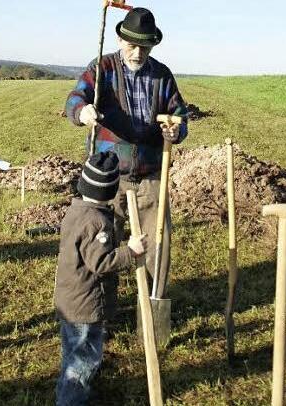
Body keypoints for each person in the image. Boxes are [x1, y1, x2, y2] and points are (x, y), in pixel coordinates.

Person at [65, 7, 188, 298]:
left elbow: (179, 114)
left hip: (150, 175)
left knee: (159, 244)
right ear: (121, 40)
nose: (137, 53)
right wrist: (83, 112)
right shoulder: (102, 68)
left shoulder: (162, 75)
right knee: (104, 243)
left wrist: (176, 130)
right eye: (132, 45)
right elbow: (74, 99)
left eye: (144, 47)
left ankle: (154, 300)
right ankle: (102, 310)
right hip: (108, 180)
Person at [54, 151, 148, 405]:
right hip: (85, 304)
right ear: (110, 191)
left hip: (69, 299)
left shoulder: (76, 212)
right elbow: (101, 262)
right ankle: (72, 399)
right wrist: (131, 252)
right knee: (84, 356)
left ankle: (73, 391)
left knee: (73, 352)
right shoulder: (97, 224)